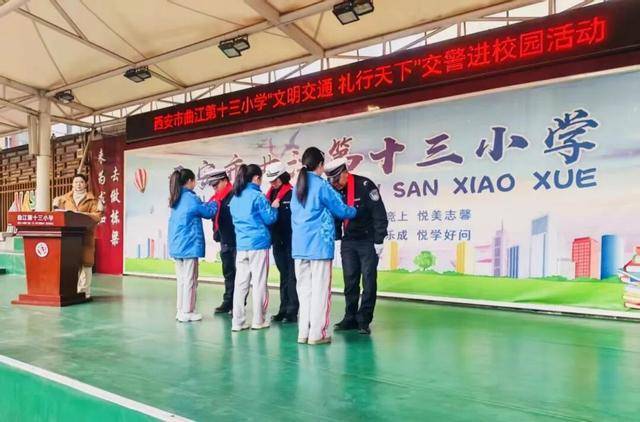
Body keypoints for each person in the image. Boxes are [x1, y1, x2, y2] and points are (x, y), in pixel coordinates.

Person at [291, 147, 356, 345]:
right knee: (320, 291)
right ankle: (317, 334)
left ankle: (303, 333)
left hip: (300, 248)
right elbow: (341, 210)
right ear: (320, 165)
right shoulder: (322, 185)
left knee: (304, 292)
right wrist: (355, 211)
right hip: (319, 247)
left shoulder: (297, 186)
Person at [325, 157, 388, 335]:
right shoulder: (335, 189)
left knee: (368, 280)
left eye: (337, 180)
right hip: (349, 241)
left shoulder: (365, 185)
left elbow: (379, 213)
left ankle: (364, 319)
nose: (336, 185)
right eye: (332, 182)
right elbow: (336, 213)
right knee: (350, 280)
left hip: (368, 240)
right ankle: (350, 317)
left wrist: (379, 240)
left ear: (345, 173)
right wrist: (337, 237)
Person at [229, 164, 278, 332]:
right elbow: (270, 218)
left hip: (242, 246)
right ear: (256, 178)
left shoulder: (235, 197)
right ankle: (259, 320)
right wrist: (275, 207)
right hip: (258, 245)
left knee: (240, 285)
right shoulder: (258, 196)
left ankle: (237, 322)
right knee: (259, 283)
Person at [168, 168, 217, 323]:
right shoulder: (191, 198)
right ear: (189, 181)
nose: (195, 183)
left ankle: (180, 310)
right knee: (190, 279)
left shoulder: (175, 198)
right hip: (189, 245)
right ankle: (188, 312)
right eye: (194, 180)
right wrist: (215, 202)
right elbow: (208, 212)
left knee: (182, 280)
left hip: (177, 245)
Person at [52, 173, 103, 299]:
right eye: (76, 182)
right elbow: (56, 215)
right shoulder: (63, 199)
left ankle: (84, 292)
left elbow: (97, 216)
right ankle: (70, 291)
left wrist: (81, 216)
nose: (78, 185)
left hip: (86, 236)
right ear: (72, 184)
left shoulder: (93, 200)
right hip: (68, 238)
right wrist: (55, 206)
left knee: (86, 264)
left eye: (81, 182)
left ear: (86, 184)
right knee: (70, 264)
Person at [264, 162, 298, 323]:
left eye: (275, 180)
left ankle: (292, 310)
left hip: (291, 241)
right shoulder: (269, 194)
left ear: (283, 177)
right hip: (277, 241)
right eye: (271, 180)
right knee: (283, 275)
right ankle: (283, 309)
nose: (273, 183)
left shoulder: (293, 193)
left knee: (292, 276)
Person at [206, 169, 236, 315]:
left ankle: (237, 304)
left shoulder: (235, 195)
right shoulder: (216, 199)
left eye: (216, 184)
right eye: (213, 185)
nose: (214, 188)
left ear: (225, 180)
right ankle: (227, 301)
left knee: (239, 275)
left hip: (237, 241)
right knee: (228, 272)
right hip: (224, 240)